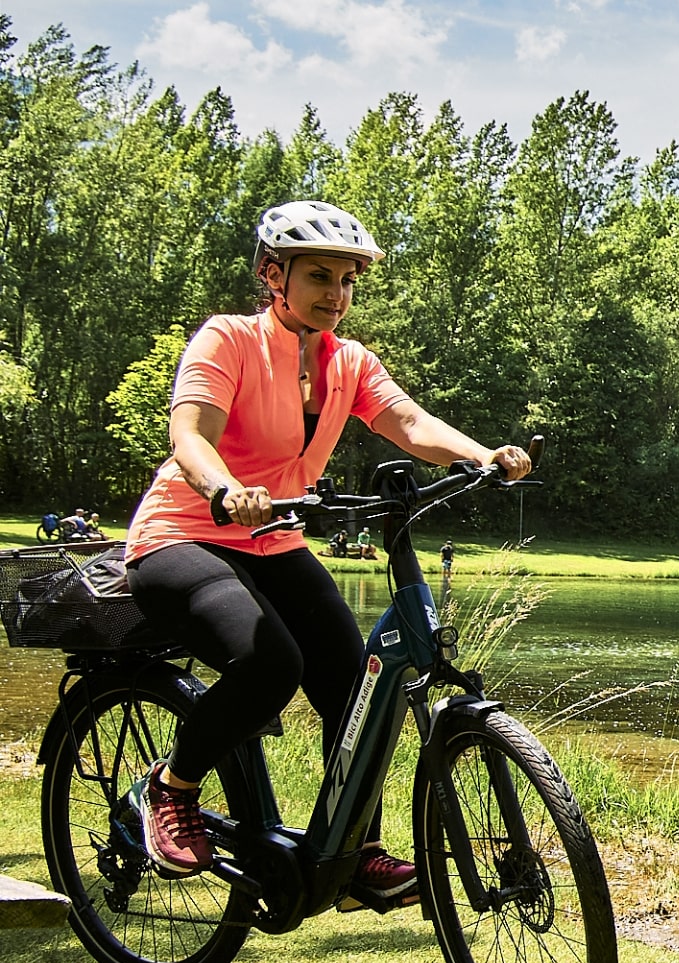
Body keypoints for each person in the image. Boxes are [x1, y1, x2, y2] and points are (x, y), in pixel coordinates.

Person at [120, 200, 531, 905]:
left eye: (347, 281)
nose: (336, 295)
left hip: (272, 540)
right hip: (183, 534)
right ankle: (171, 787)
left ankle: (351, 854)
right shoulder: (229, 340)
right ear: (272, 274)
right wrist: (225, 489)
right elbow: (190, 435)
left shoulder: (349, 363)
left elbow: (405, 420)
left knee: (358, 681)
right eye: (319, 276)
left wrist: (480, 455)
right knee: (271, 661)